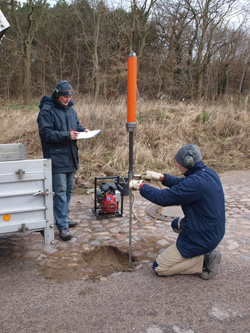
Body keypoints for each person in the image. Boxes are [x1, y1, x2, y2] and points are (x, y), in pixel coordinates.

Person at [129, 144, 225, 280]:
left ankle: (205, 259)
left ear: (188, 162)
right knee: (176, 224)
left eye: (179, 162)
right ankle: (200, 251)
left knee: (159, 268)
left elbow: (163, 198)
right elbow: (183, 183)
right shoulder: (207, 173)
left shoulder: (195, 183)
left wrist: (141, 187)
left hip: (203, 236)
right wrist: (161, 177)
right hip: (212, 229)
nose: (176, 165)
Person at [37, 80, 89, 241]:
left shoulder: (71, 110)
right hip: (56, 158)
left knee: (68, 191)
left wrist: (83, 130)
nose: (67, 99)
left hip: (70, 156)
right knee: (59, 192)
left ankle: (63, 217)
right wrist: (67, 135)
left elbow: (75, 127)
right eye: (64, 96)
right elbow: (46, 134)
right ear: (56, 94)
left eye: (69, 95)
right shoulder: (47, 111)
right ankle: (62, 226)